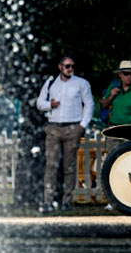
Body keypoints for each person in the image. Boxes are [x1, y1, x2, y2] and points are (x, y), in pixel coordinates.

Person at [35, 55, 94, 212]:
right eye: (67, 66)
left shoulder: (81, 83)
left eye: (72, 66)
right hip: (54, 128)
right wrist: (50, 105)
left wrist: (82, 126)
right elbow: (39, 103)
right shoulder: (50, 83)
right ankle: (48, 201)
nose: (70, 69)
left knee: (69, 166)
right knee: (51, 165)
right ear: (60, 67)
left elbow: (89, 104)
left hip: (72, 127)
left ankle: (67, 201)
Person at [100, 60, 131, 126]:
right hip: (114, 127)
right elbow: (103, 106)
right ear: (119, 74)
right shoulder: (113, 85)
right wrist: (111, 96)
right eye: (126, 73)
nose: (129, 76)